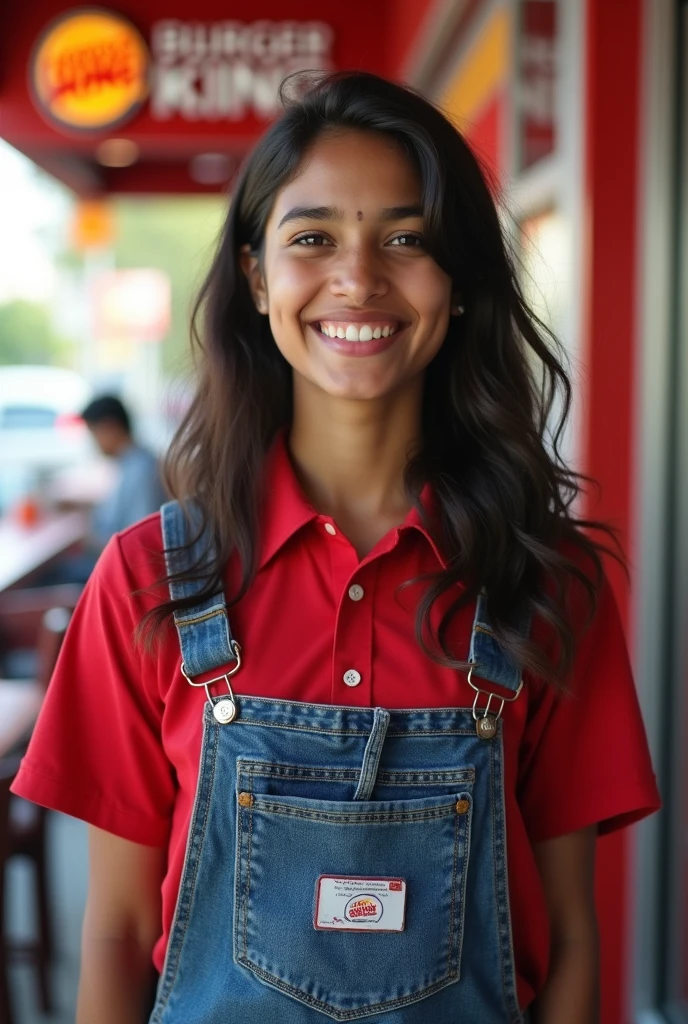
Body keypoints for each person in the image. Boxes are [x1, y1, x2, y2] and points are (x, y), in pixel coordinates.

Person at [12, 72, 660, 1024]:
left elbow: (570, 946)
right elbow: (110, 933)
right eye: (313, 238)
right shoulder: (149, 578)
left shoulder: (545, 583)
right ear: (256, 273)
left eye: (406, 238)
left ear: (464, 283)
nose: (359, 277)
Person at [81, 395, 167, 547]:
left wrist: (86, 540)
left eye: (94, 434)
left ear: (110, 427)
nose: (93, 443)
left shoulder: (141, 472)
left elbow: (139, 538)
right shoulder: (133, 463)